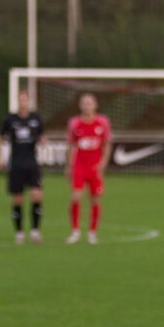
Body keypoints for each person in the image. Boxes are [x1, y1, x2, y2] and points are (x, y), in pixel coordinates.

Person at [0, 89, 45, 244]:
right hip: (16, 164)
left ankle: (35, 231)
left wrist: (44, 142)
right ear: (18, 102)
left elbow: (42, 136)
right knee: (18, 199)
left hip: (32, 163)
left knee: (37, 195)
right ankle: (19, 233)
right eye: (21, 100)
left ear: (28, 102)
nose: (23, 103)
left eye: (25, 100)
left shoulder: (35, 118)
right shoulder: (10, 119)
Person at [65, 93, 111, 244]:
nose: (87, 106)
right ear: (80, 105)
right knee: (76, 197)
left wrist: (104, 162)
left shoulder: (102, 122)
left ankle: (92, 232)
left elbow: (107, 143)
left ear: (95, 105)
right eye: (84, 103)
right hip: (79, 166)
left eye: (89, 103)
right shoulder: (75, 123)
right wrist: (68, 165)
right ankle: (75, 231)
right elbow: (71, 145)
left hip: (95, 167)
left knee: (95, 200)